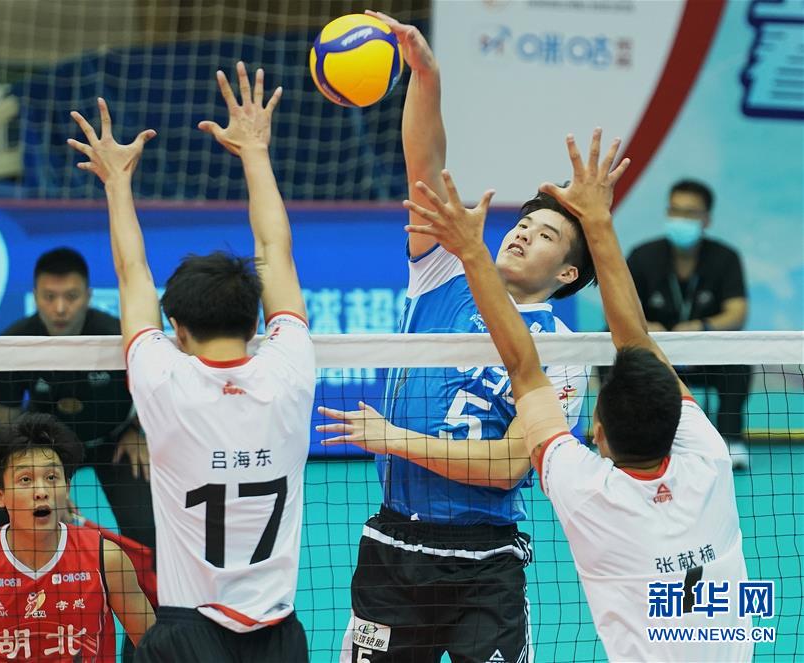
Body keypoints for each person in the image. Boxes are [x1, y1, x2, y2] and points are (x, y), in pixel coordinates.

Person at [405, 129, 752, 661]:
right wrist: (595, 221)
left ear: (599, 434)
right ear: (683, 419)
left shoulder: (590, 492)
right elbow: (628, 342)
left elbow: (524, 368)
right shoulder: (710, 460)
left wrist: (474, 252)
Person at [317, 11, 590, 663]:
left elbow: (506, 467)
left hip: (485, 563)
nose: (522, 233)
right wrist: (425, 75)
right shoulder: (444, 272)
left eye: (546, 236)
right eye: (523, 224)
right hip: (394, 548)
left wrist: (393, 438)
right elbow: (425, 166)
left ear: (567, 273)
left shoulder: (562, 355)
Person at [66, 62, 314, 662]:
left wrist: (117, 182)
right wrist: (255, 151)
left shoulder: (164, 381)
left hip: (188, 634)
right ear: (256, 324)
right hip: (280, 637)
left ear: (176, 328)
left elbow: (132, 273)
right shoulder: (290, 371)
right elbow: (275, 252)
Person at [0, 246, 156, 659]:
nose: (59, 308)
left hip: (112, 442)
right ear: (35, 294)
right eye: (49, 296)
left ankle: (144, 644)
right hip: (41, 451)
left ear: (88, 295)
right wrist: (40, 480)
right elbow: (5, 427)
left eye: (70, 296)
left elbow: (156, 390)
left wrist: (138, 429)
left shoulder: (116, 335)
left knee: (149, 537)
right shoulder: (13, 343)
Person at [0, 413, 155, 662]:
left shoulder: (107, 560)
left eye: (51, 478)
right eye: (25, 479)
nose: (41, 491)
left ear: (67, 488)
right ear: (0, 496)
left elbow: (156, 651)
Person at [626, 179, 750, 469]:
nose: (680, 218)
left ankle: (730, 439)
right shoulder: (642, 256)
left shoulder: (725, 258)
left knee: (740, 359)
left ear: (706, 219)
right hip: (654, 354)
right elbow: (620, 307)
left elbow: (737, 312)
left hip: (706, 357)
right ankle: (626, 439)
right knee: (610, 348)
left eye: (690, 212)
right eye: (675, 210)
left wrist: (702, 327)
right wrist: (645, 327)